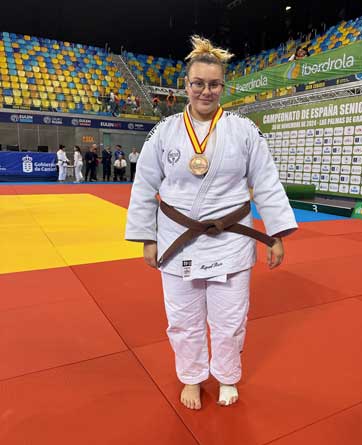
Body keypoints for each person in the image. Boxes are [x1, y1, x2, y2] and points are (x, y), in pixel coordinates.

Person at [125, 35, 297, 411]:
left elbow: (266, 181)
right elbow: (144, 185)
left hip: (231, 240)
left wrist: (276, 235)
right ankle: (191, 377)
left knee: (230, 319)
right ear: (186, 86)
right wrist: (146, 238)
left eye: (214, 84)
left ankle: (226, 376)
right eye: (198, 83)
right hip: (177, 238)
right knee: (183, 320)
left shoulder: (243, 130)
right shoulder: (165, 131)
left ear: (223, 86)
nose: (206, 91)